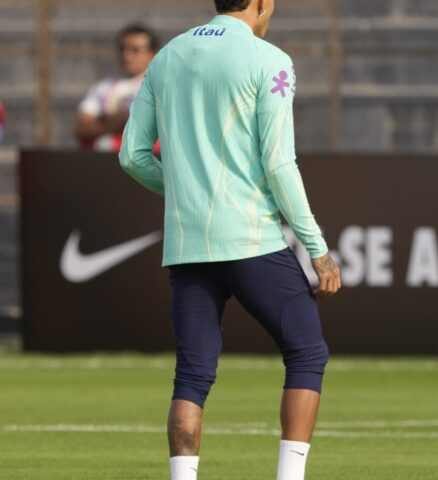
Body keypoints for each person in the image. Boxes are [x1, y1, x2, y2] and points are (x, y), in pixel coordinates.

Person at [118, 1, 341, 479]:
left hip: (188, 242)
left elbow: (132, 157)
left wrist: (184, 192)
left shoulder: (168, 56)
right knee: (306, 351)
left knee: (193, 375)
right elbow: (279, 164)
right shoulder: (270, 60)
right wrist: (317, 249)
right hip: (250, 236)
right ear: (261, 2)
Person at [75, 24, 158, 151]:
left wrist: (104, 122)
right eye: (122, 49)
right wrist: (118, 122)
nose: (127, 56)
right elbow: (82, 127)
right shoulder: (103, 87)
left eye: (135, 50)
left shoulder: (158, 85)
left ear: (153, 53)